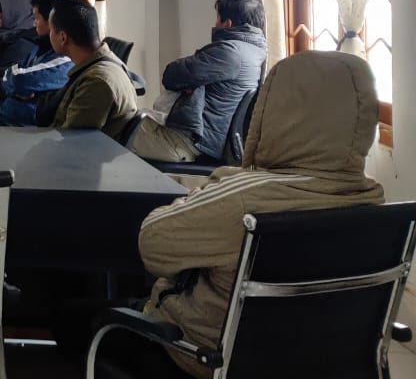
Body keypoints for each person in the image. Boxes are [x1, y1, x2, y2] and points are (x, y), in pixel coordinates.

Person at [69, 51, 384, 378]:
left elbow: (153, 245)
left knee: (73, 317)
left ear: (274, 114)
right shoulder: (375, 205)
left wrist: (211, 190)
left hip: (203, 358)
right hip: (320, 360)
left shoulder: (245, 200)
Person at [126, 0, 266, 163]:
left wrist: (192, 81)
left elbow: (171, 75)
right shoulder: (255, 52)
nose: (215, 24)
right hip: (205, 140)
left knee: (114, 127)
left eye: (218, 19)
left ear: (227, 24)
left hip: (187, 143)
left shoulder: (229, 52)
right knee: (129, 119)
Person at [43, 0, 138, 138]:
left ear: (63, 37)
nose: (49, 35)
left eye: (51, 29)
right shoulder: (104, 62)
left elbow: (72, 141)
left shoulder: (96, 82)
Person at [0, 0, 75, 126]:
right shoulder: (39, 47)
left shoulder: (65, 60)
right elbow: (9, 73)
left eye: (37, 19)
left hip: (21, 128)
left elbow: (18, 79)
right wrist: (21, 87)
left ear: (52, 22)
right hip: (5, 119)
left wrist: (17, 84)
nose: (34, 24)